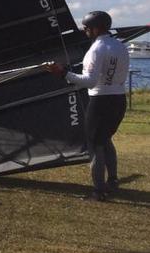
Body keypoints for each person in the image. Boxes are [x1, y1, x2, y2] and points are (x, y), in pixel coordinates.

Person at [47, 10, 130, 201]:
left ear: (95, 29)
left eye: (86, 28)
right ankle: (113, 181)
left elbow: (90, 81)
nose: (84, 30)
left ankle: (98, 191)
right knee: (105, 139)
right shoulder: (120, 46)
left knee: (95, 145)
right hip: (119, 99)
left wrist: (62, 73)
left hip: (101, 101)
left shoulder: (96, 50)